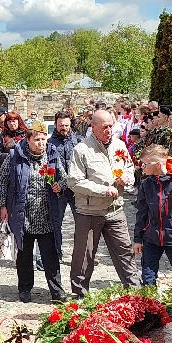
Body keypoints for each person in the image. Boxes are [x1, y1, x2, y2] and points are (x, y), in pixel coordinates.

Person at [68, 110, 139, 297]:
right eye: (104, 127)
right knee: (84, 255)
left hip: (115, 209)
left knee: (124, 251)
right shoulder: (82, 150)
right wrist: (102, 190)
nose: (109, 130)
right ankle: (80, 294)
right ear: (93, 127)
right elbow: (74, 182)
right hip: (90, 211)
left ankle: (135, 293)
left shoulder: (119, 145)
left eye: (111, 126)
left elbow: (130, 168)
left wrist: (127, 178)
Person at [0, 121, 67, 303]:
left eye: (44, 139)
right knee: (24, 255)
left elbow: (64, 178)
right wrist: (2, 205)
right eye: (37, 139)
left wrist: (60, 186)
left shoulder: (52, 155)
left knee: (50, 255)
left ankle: (56, 290)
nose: (41, 143)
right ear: (28, 140)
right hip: (23, 214)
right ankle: (25, 288)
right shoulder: (15, 156)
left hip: (46, 214)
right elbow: (2, 180)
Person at [133, 146, 172, 288]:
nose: (142, 167)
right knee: (148, 278)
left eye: (145, 164)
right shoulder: (145, 185)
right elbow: (141, 213)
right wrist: (138, 239)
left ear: (157, 164)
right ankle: (150, 307)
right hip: (151, 238)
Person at [48, 111, 80, 261]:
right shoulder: (49, 143)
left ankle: (81, 254)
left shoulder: (79, 141)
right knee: (55, 223)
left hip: (77, 190)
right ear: (55, 125)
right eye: (61, 125)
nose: (64, 128)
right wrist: (54, 183)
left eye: (66, 125)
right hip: (57, 190)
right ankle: (56, 253)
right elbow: (47, 167)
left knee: (82, 224)